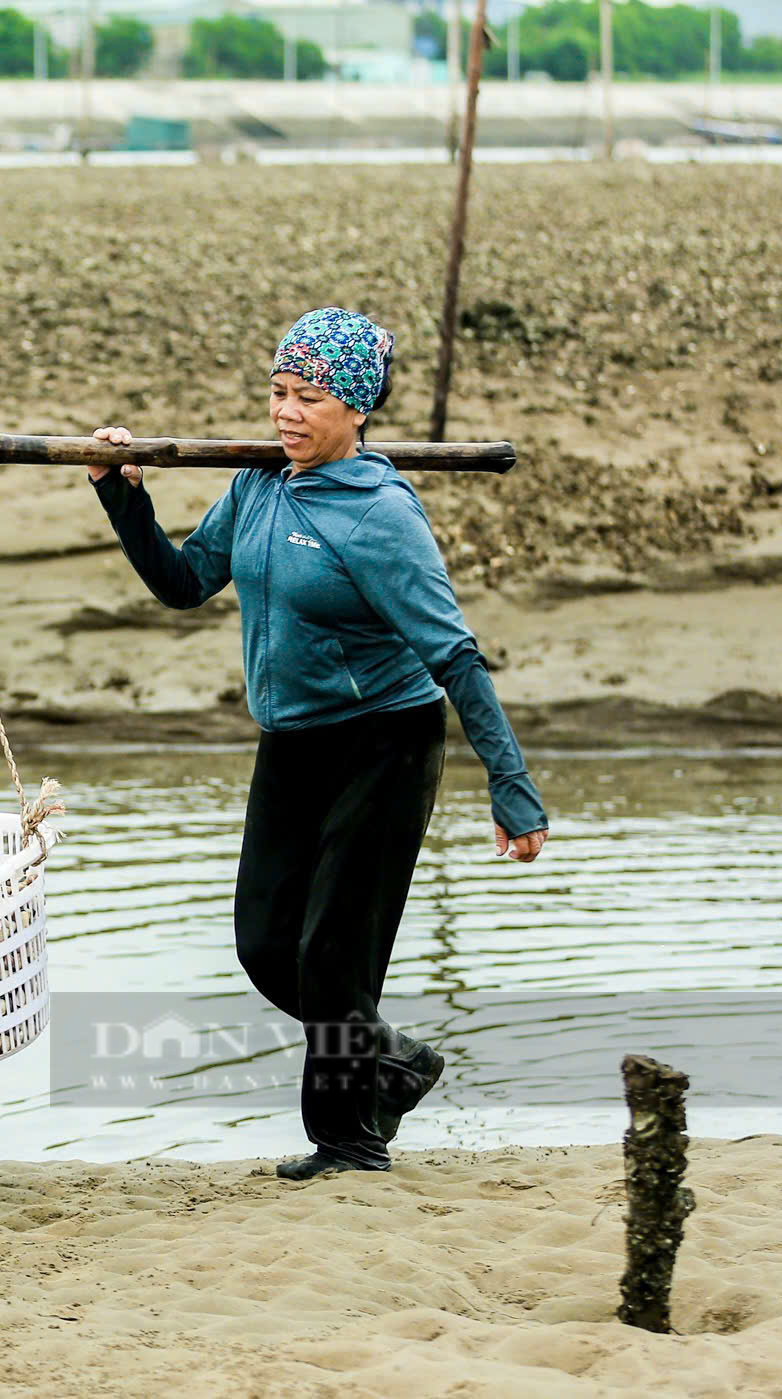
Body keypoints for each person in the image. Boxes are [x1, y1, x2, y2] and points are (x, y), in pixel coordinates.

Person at [88, 306, 548, 1181]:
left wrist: (511, 783)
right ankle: (398, 1062)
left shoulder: (382, 514)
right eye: (279, 391)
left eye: (310, 397)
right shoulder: (259, 484)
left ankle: (347, 1139)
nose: (287, 412)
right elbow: (185, 584)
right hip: (292, 739)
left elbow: (454, 651)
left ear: (357, 408)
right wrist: (121, 488)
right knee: (267, 946)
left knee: (333, 957)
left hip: (384, 740)